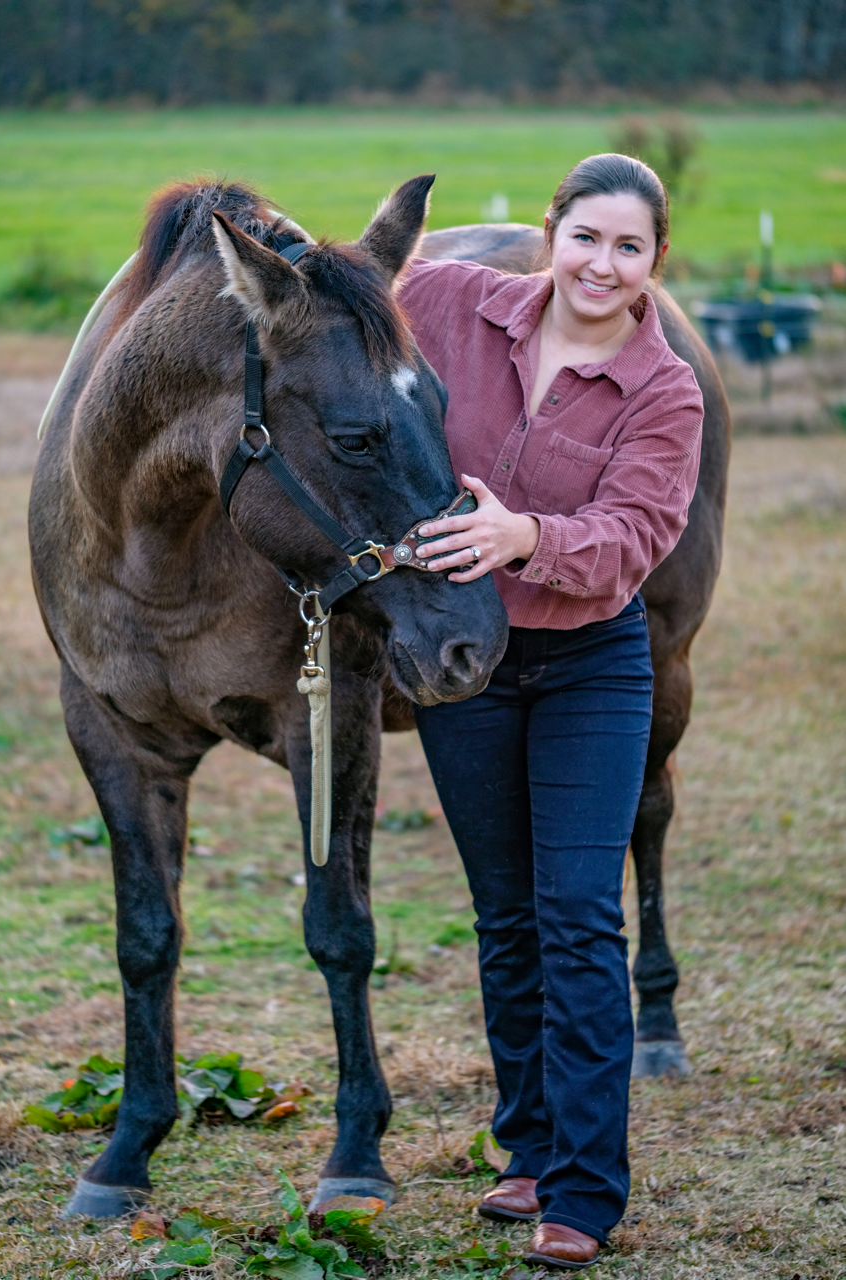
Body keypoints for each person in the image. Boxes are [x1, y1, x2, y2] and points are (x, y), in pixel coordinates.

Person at [398, 154, 704, 1272]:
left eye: (629, 247)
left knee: (577, 914)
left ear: (652, 264)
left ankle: (582, 1188)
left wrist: (520, 535)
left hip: (588, 664)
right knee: (506, 914)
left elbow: (632, 538)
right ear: (552, 233)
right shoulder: (451, 301)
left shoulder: (664, 392)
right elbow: (341, 304)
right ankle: (525, 1145)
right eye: (586, 237)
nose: (601, 263)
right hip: (467, 663)